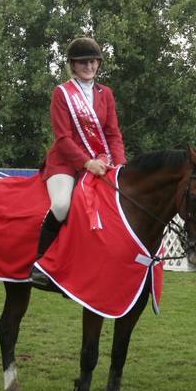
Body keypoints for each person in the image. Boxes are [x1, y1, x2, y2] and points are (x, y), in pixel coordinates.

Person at [31, 37, 125, 285]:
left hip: (101, 160)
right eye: (83, 62)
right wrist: (86, 163)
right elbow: (62, 139)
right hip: (65, 163)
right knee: (62, 205)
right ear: (73, 65)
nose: (89, 66)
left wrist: (120, 164)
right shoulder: (62, 93)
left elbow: (113, 134)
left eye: (93, 61)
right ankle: (41, 264)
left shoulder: (106, 94)